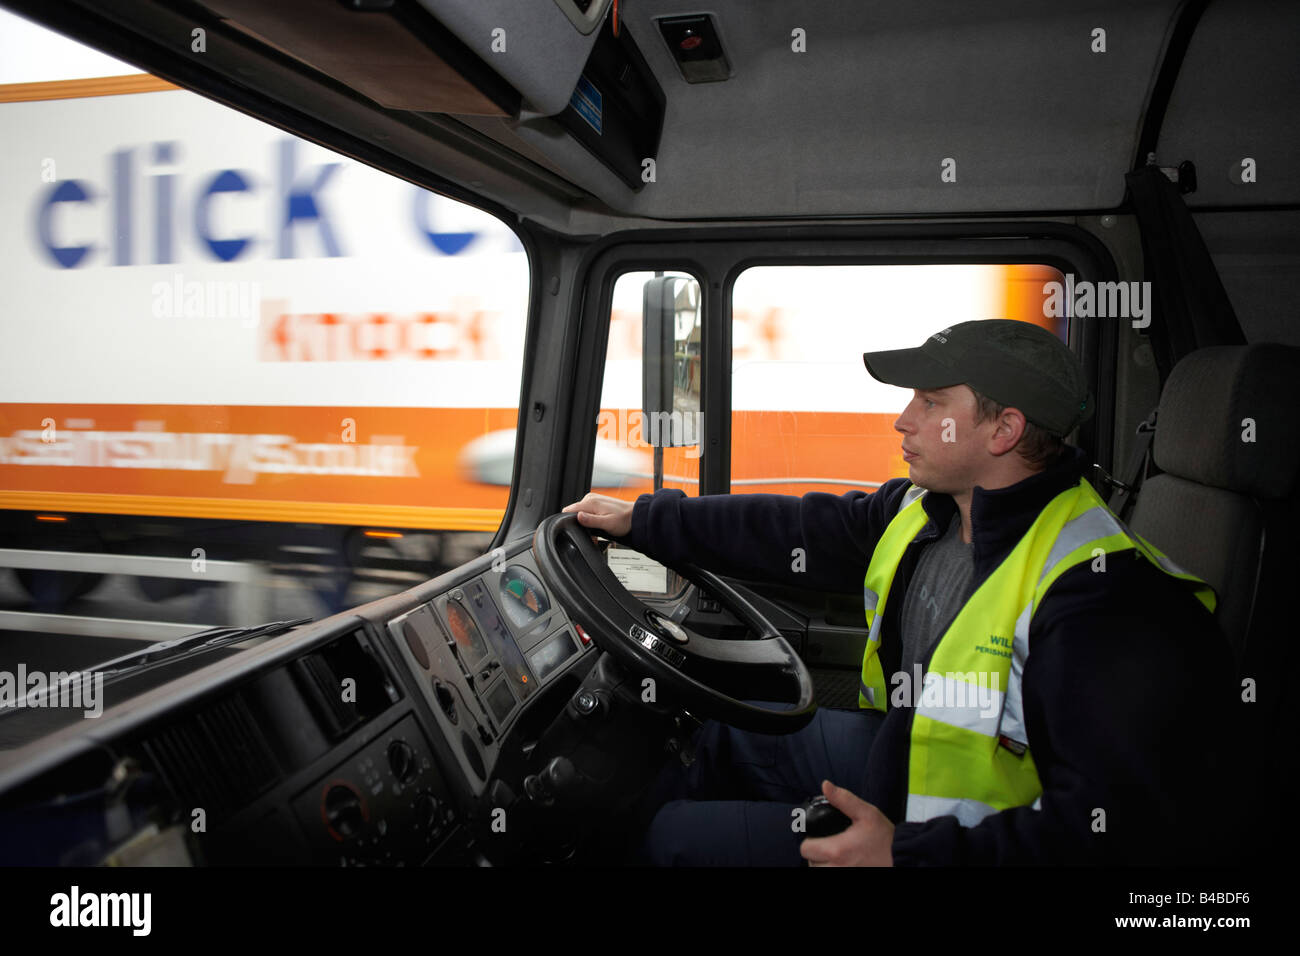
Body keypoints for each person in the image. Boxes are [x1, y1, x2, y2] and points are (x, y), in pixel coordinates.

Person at [563, 319, 1245, 866]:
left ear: (1003, 430)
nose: (902, 420)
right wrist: (643, 520)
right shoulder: (935, 510)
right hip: (900, 755)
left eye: (930, 402)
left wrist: (904, 853)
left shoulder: (1101, 606)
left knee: (674, 840)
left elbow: (1119, 835)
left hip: (950, 836)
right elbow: (799, 526)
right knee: (726, 736)